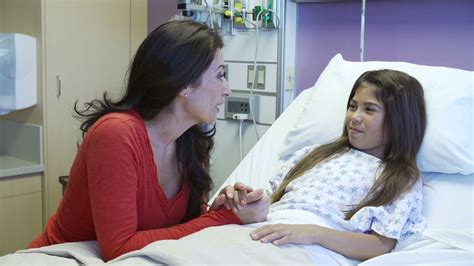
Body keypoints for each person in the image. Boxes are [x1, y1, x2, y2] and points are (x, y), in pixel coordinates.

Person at [28, 20, 270, 262]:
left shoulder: (192, 143)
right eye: (220, 76)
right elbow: (119, 247)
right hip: (62, 258)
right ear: (184, 84)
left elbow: (182, 228)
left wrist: (220, 208)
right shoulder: (116, 135)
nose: (227, 89)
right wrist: (224, 219)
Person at [222, 69, 427, 261]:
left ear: (399, 120)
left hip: (316, 250)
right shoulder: (312, 154)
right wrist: (248, 202)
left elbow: (380, 246)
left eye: (369, 109)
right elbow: (273, 199)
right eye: (352, 106)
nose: (354, 117)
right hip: (265, 231)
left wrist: (313, 233)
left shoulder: (400, 178)